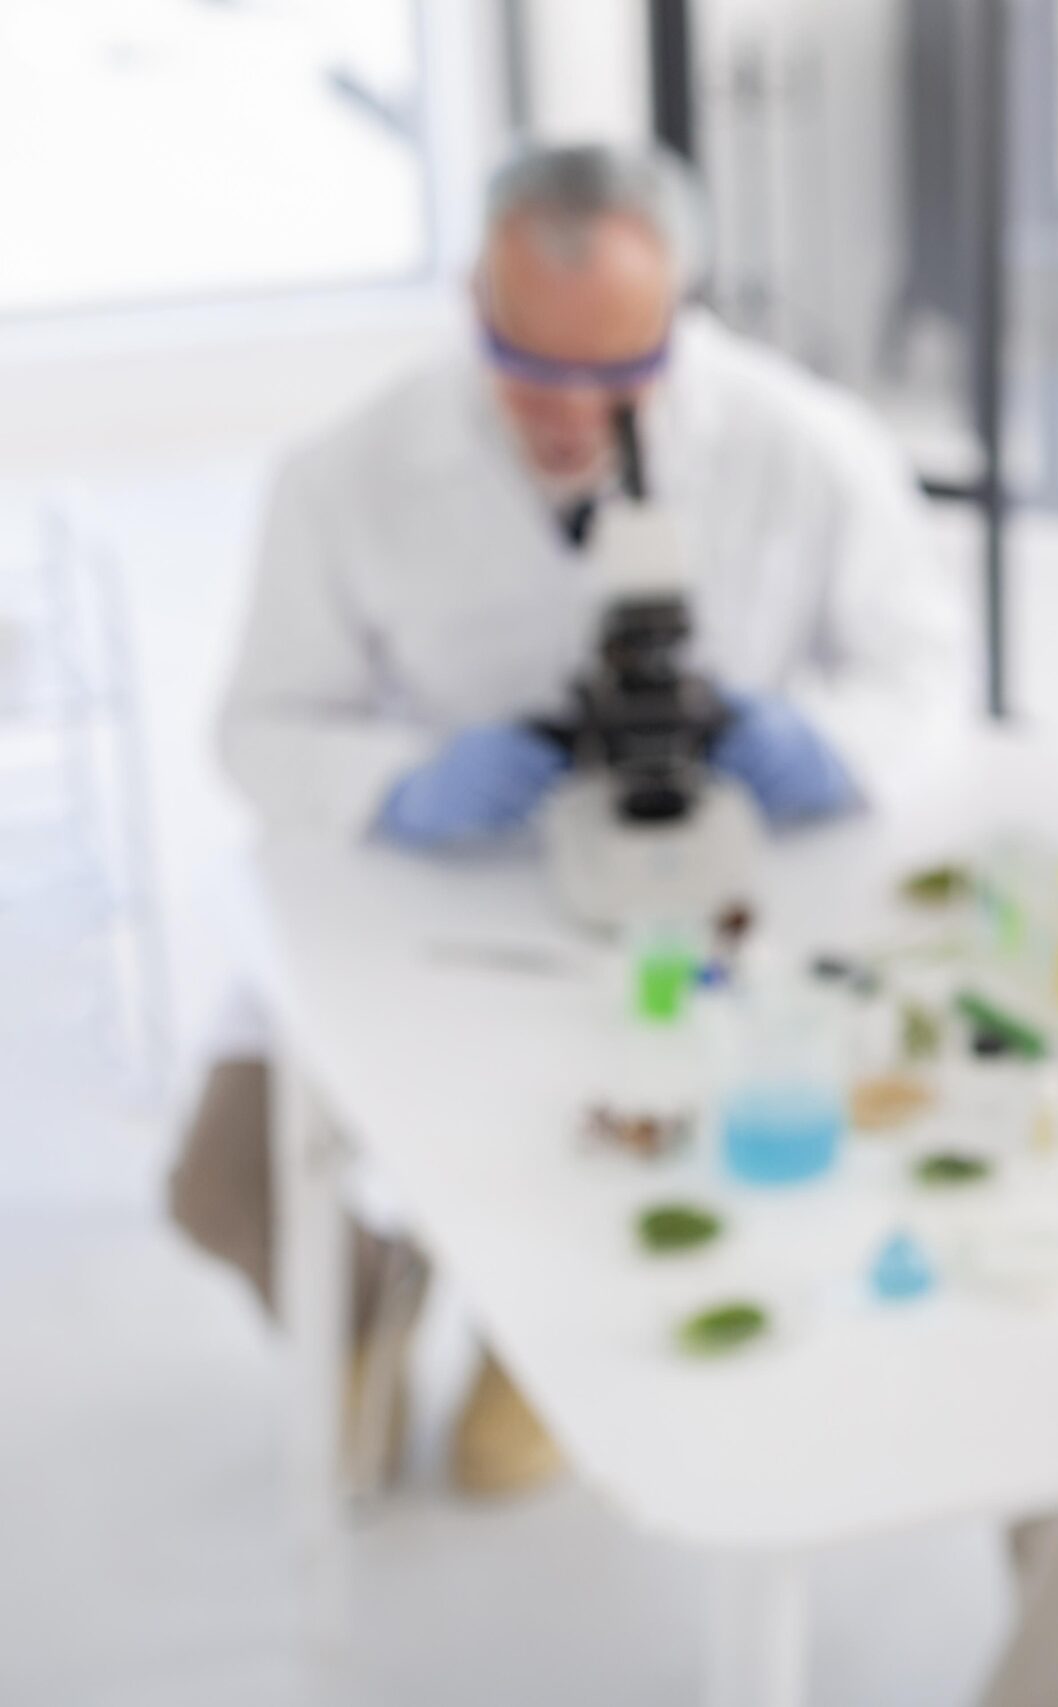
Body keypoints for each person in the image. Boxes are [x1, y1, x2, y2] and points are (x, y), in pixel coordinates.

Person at [166, 142, 970, 1497]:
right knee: (222, 1176)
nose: (562, 411)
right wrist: (396, 782)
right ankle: (374, 1303)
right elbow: (257, 728)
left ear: (682, 314)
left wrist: (823, 745)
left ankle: (528, 1349)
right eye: (524, 362)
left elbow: (922, 670)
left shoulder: (806, 449)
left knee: (606, 1146)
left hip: (697, 908)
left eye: (612, 374)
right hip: (433, 906)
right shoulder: (348, 470)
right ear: (473, 296)